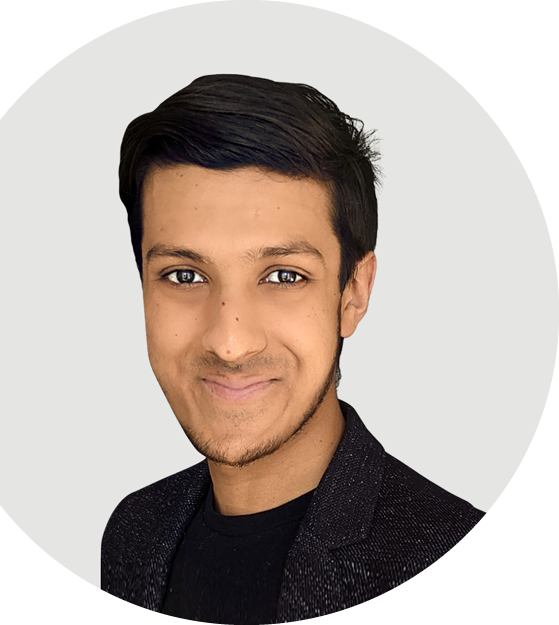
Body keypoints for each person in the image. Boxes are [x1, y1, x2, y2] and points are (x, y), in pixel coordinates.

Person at [101, 74, 484, 623]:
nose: (230, 343)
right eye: (184, 275)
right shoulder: (134, 531)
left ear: (353, 294)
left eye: (283, 276)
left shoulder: (458, 562)